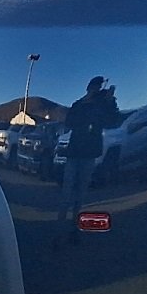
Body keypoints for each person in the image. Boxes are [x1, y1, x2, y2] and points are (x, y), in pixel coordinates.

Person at [59, 76, 120, 223]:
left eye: (99, 87)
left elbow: (112, 120)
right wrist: (87, 108)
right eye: (95, 87)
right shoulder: (78, 104)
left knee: (81, 189)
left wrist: (111, 101)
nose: (97, 89)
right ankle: (60, 222)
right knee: (67, 188)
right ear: (89, 88)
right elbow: (69, 122)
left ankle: (75, 222)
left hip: (90, 151)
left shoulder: (102, 104)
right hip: (74, 151)